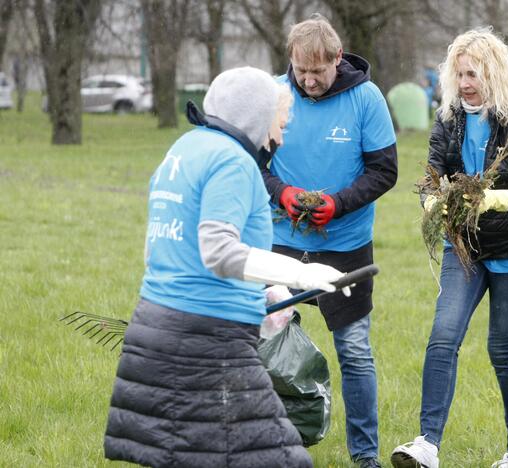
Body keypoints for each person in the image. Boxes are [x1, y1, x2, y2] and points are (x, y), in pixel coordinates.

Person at [104, 66, 352, 468]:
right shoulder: (233, 161)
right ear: (256, 116)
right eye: (280, 123)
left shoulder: (184, 150)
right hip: (208, 343)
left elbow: (166, 251)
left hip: (154, 331)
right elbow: (219, 252)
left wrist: (264, 287)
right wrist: (302, 274)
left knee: (189, 456)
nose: (281, 136)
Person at [390, 28, 508, 468]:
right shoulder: (448, 119)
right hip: (463, 247)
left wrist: (494, 199)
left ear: (494, 73)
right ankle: (426, 445)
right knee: (443, 338)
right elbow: (431, 175)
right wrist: (431, 202)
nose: (465, 83)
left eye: (474, 74)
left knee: (502, 350)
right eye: (459, 74)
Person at [257, 14, 398, 468]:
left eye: (318, 71)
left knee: (354, 350)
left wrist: (337, 203)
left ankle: (365, 455)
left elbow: (384, 171)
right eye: (301, 70)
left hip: (345, 244)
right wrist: (283, 193)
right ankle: (267, 443)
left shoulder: (366, 98)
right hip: (280, 240)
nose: (309, 80)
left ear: (338, 59)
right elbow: (252, 165)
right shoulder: (275, 95)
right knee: (264, 343)